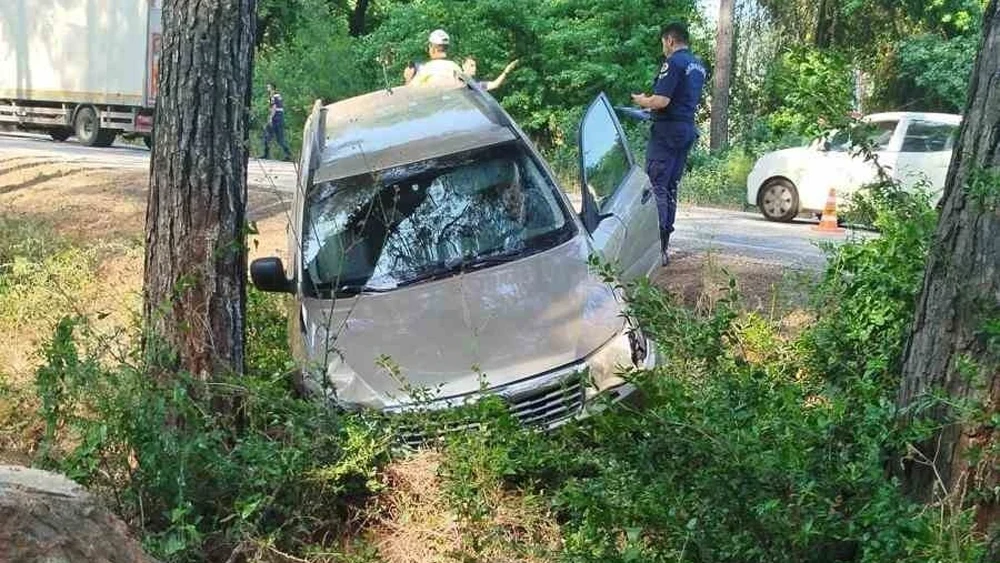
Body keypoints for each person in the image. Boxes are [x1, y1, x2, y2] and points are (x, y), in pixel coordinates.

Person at [630, 23, 706, 266]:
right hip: (685, 130)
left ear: (670, 41)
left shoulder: (673, 63)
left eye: (664, 43)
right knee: (671, 187)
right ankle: (664, 246)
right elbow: (682, 100)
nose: (663, 48)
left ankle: (656, 248)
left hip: (667, 134)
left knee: (657, 187)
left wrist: (643, 101)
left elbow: (661, 100)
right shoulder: (698, 65)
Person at [262, 82, 291, 161]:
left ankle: (266, 154)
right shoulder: (278, 96)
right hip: (280, 117)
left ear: (272, 88)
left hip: (276, 118)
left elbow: (274, 107)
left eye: (268, 87)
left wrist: (270, 118)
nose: (267, 89)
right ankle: (288, 154)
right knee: (278, 138)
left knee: (268, 135)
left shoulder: (273, 96)